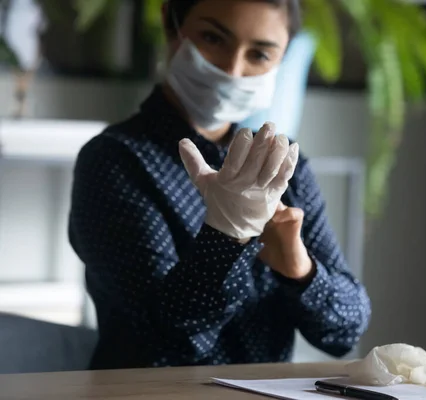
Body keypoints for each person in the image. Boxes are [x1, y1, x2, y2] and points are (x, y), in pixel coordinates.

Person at [69, 0, 371, 370]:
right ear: (171, 23)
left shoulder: (283, 168)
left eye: (259, 54)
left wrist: (299, 267)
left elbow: (347, 331)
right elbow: (167, 343)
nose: (232, 69)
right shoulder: (115, 161)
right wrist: (227, 237)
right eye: (213, 38)